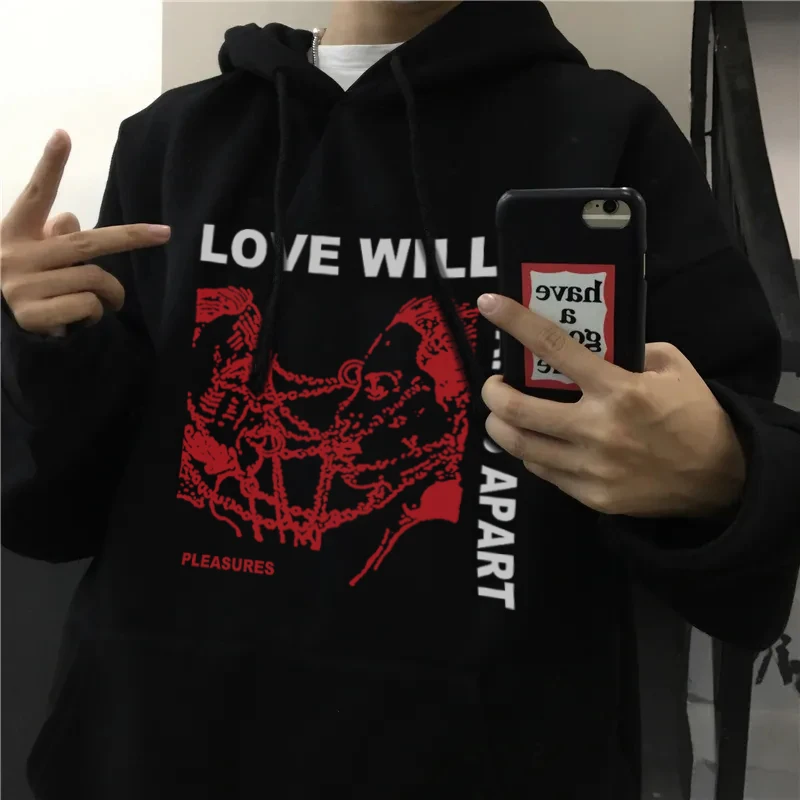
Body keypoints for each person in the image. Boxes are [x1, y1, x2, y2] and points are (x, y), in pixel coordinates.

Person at [2, 2, 799, 797]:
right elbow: (61, 506)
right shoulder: (175, 139)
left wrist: (723, 471)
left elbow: (741, 465)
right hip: (153, 747)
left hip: (484, 757)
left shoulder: (606, 131)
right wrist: (36, 344)